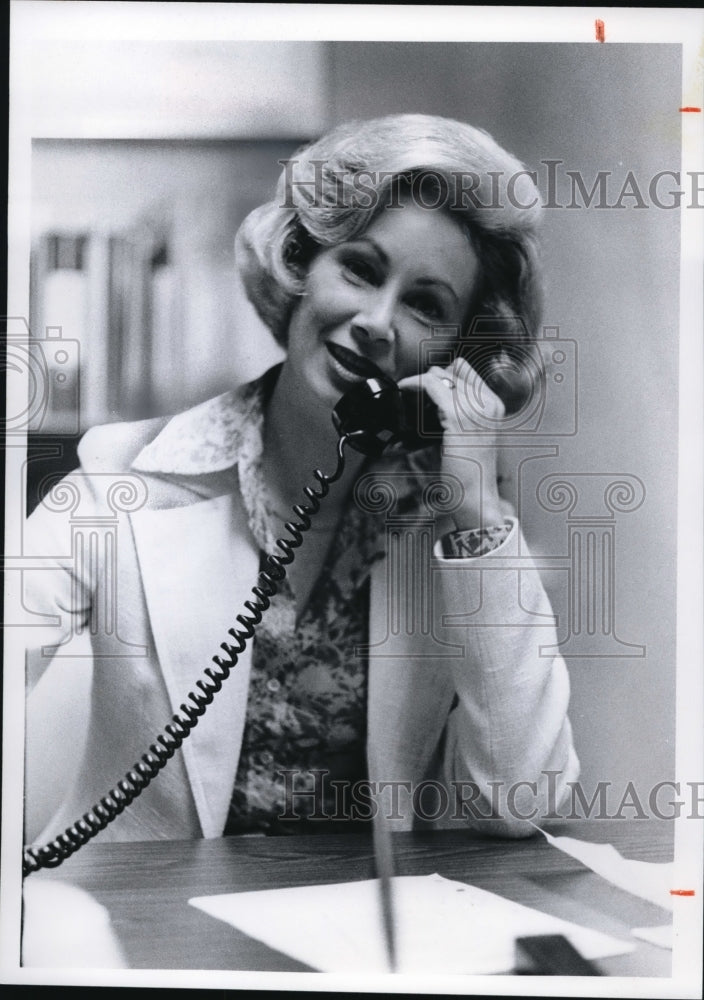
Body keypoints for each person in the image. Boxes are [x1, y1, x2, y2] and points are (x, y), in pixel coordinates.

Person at [24, 114, 579, 852]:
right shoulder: (121, 479)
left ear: (457, 354)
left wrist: (476, 509)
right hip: (149, 929)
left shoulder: (455, 530)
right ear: (299, 264)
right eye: (361, 269)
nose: (377, 321)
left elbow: (520, 803)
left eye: (425, 304)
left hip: (354, 943)